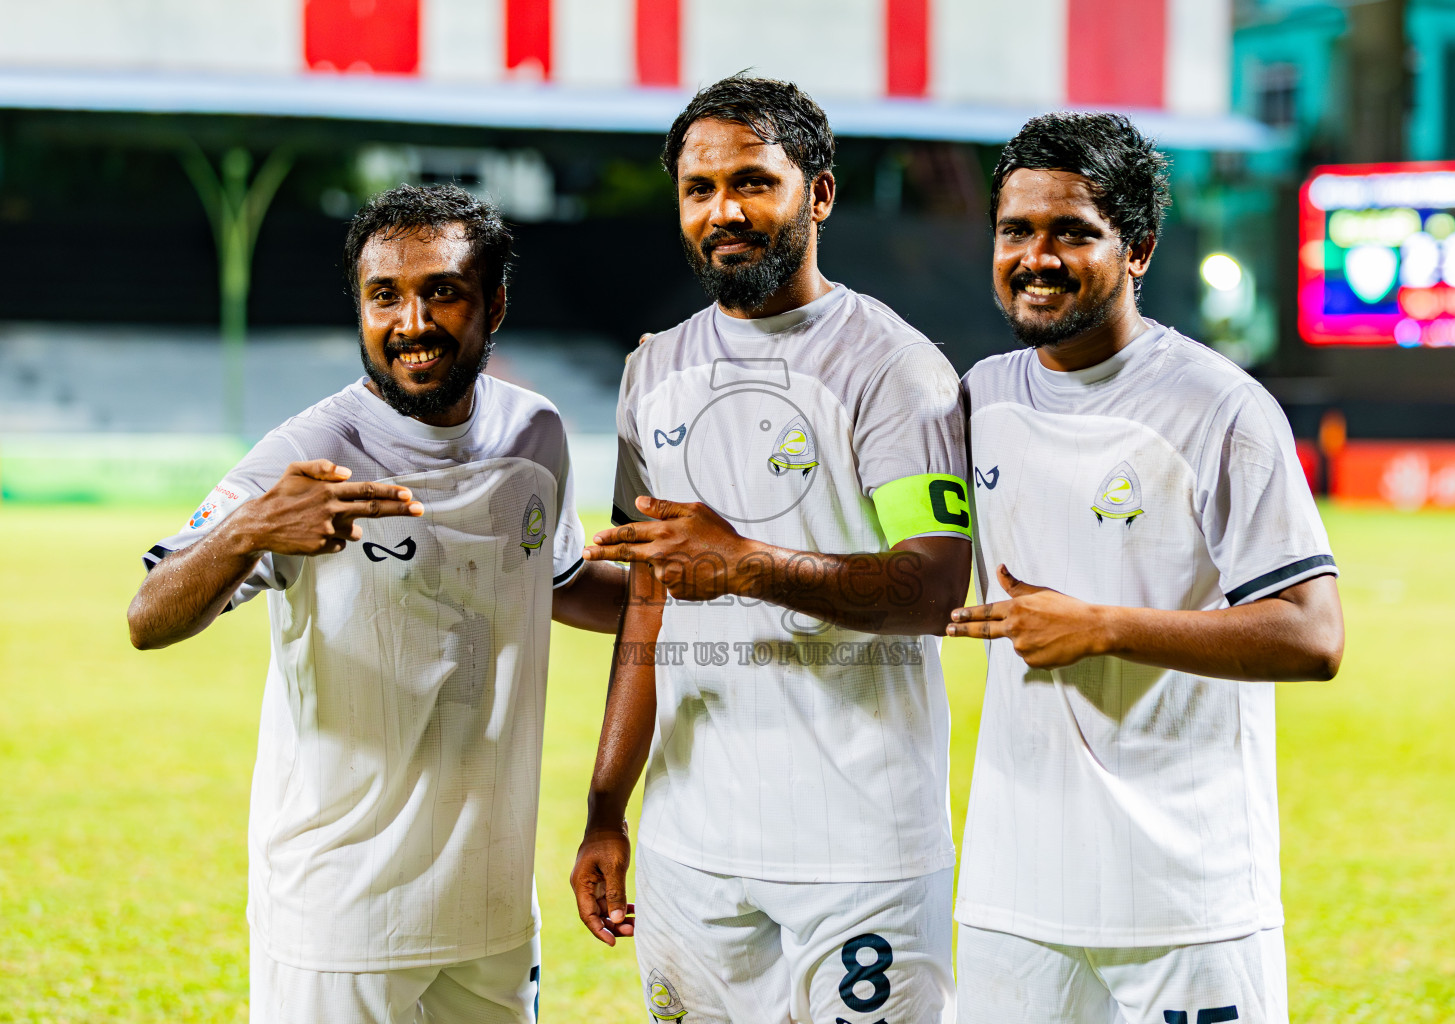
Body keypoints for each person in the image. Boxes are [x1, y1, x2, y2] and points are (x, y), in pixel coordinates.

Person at [127, 184, 624, 1023]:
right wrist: (252, 529)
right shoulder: (312, 450)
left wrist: (727, 583)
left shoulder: (536, 434)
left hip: (491, 902)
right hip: (340, 909)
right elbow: (148, 617)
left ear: (493, 304)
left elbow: (559, 586)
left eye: (443, 291)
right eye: (384, 295)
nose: (412, 321)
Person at [569, 75, 971, 1024]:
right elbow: (647, 603)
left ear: (819, 194)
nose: (725, 211)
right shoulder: (652, 370)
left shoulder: (893, 367)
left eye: (753, 181)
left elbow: (935, 589)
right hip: (691, 846)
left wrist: (748, 562)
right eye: (698, 190)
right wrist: (604, 807)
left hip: (862, 848)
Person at [945, 112, 1345, 1024]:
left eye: (1073, 232)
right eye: (1016, 231)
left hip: (1187, 898)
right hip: (1018, 893)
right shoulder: (981, 396)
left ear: (1139, 250)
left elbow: (1314, 635)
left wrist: (1105, 626)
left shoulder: (1221, 408)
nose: (1036, 257)